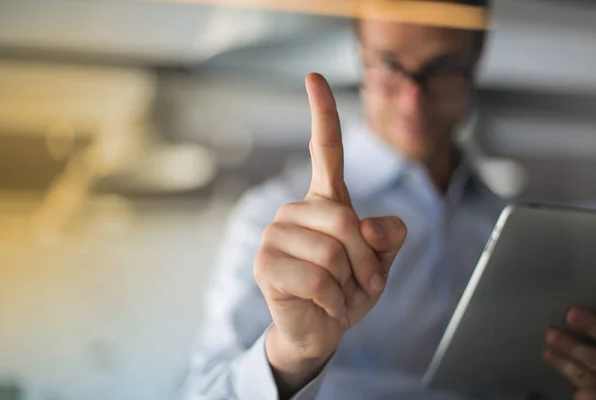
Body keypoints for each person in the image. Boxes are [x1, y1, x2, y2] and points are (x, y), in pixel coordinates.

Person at [180, 0, 596, 399]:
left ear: (475, 62)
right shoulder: (275, 222)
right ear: (360, 57)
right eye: (389, 64)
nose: (412, 98)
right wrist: (292, 356)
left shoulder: (520, 226)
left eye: (442, 68)